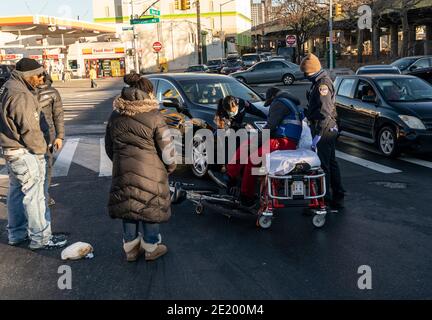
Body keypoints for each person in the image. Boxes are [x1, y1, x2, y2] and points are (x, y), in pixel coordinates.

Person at [105, 74, 176, 262]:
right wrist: (170, 167)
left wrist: (120, 162)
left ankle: (130, 248)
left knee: (128, 205)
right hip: (151, 171)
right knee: (150, 206)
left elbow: (109, 148)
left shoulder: (115, 115)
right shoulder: (154, 116)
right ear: (148, 93)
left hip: (122, 169)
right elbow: (167, 147)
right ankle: (151, 247)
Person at [0, 58, 67, 250]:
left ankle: (16, 233)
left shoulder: (7, 87)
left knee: (15, 194)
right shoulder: (20, 95)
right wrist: (40, 152)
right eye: (39, 75)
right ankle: (41, 237)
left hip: (11, 149)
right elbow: (30, 129)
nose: (42, 78)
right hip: (24, 151)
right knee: (35, 196)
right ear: (28, 76)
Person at [225, 88, 303, 207]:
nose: (270, 105)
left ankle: (244, 193)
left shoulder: (279, 103)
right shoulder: (289, 102)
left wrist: (257, 141)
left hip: (283, 141)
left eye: (269, 102)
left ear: (272, 97)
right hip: (287, 140)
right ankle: (240, 181)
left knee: (252, 158)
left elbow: (270, 127)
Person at [300, 53, 345, 209]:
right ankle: (337, 195)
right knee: (331, 163)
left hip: (324, 129)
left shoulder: (322, 85)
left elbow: (325, 111)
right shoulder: (319, 81)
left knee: (323, 166)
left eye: (305, 73)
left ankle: (323, 200)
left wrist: (318, 134)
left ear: (311, 71)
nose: (304, 75)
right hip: (328, 128)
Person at [38, 72, 65, 206]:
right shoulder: (52, 92)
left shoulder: (28, 90)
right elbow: (58, 115)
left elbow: (58, 115)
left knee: (43, 167)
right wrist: (59, 136)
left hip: (40, 135)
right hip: (46, 134)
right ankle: (43, 196)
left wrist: (59, 136)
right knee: (46, 167)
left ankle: (42, 195)